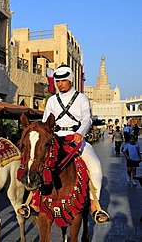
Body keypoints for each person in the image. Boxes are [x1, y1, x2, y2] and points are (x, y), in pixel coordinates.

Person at [41, 65, 110, 223]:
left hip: (76, 138)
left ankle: (94, 204)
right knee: (38, 163)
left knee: (96, 166)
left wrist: (80, 132)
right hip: (56, 138)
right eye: (58, 81)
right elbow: (46, 122)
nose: (60, 84)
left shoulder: (81, 98)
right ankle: (32, 201)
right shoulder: (52, 100)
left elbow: (87, 118)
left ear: (70, 80)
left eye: (63, 81)